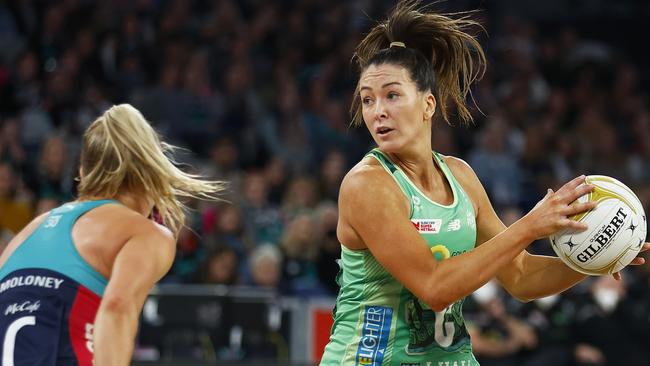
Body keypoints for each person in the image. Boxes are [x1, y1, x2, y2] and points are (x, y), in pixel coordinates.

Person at [320, 2, 648, 365]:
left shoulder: (460, 176)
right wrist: (529, 226)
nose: (377, 110)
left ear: (428, 105)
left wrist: (595, 256)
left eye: (391, 95)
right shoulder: (367, 185)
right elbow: (435, 288)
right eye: (368, 99)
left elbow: (520, 277)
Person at [0, 104, 224, 365]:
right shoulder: (145, 233)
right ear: (150, 173)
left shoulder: (32, 229)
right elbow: (117, 307)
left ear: (83, 172)